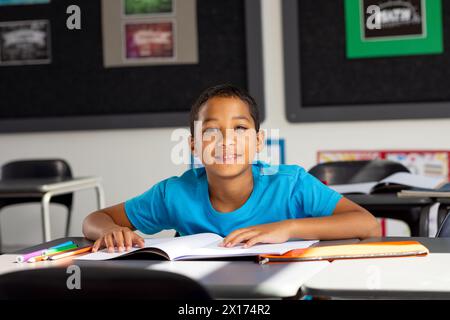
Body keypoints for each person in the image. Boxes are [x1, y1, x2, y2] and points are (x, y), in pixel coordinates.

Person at [83, 84, 381, 253]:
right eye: (211, 131)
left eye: (239, 128)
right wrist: (111, 230)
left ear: (259, 141)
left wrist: (288, 228)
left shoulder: (291, 185)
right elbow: (96, 219)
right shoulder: (174, 193)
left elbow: (365, 223)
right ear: (193, 145)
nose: (226, 142)